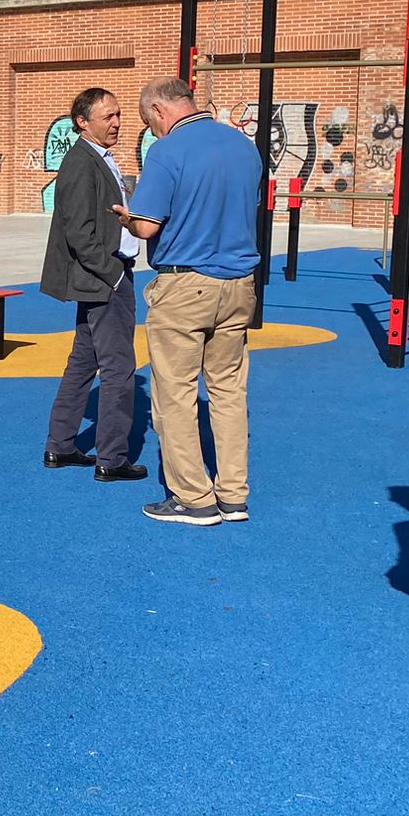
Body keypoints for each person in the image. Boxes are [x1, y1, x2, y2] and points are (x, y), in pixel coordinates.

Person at [114, 77, 265, 526]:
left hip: (185, 283)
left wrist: (126, 216)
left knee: (175, 393)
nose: (152, 131)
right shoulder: (244, 147)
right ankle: (233, 494)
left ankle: (193, 497)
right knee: (229, 391)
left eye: (149, 123)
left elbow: (146, 226)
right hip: (239, 282)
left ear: (159, 110)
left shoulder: (167, 151)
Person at [39, 86, 146, 481]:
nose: (117, 122)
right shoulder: (81, 162)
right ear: (83, 122)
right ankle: (112, 458)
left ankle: (60, 445)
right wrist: (113, 274)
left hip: (100, 277)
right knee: (119, 367)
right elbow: (79, 231)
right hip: (104, 279)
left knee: (83, 363)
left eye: (118, 114)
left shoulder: (96, 157)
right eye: (108, 117)